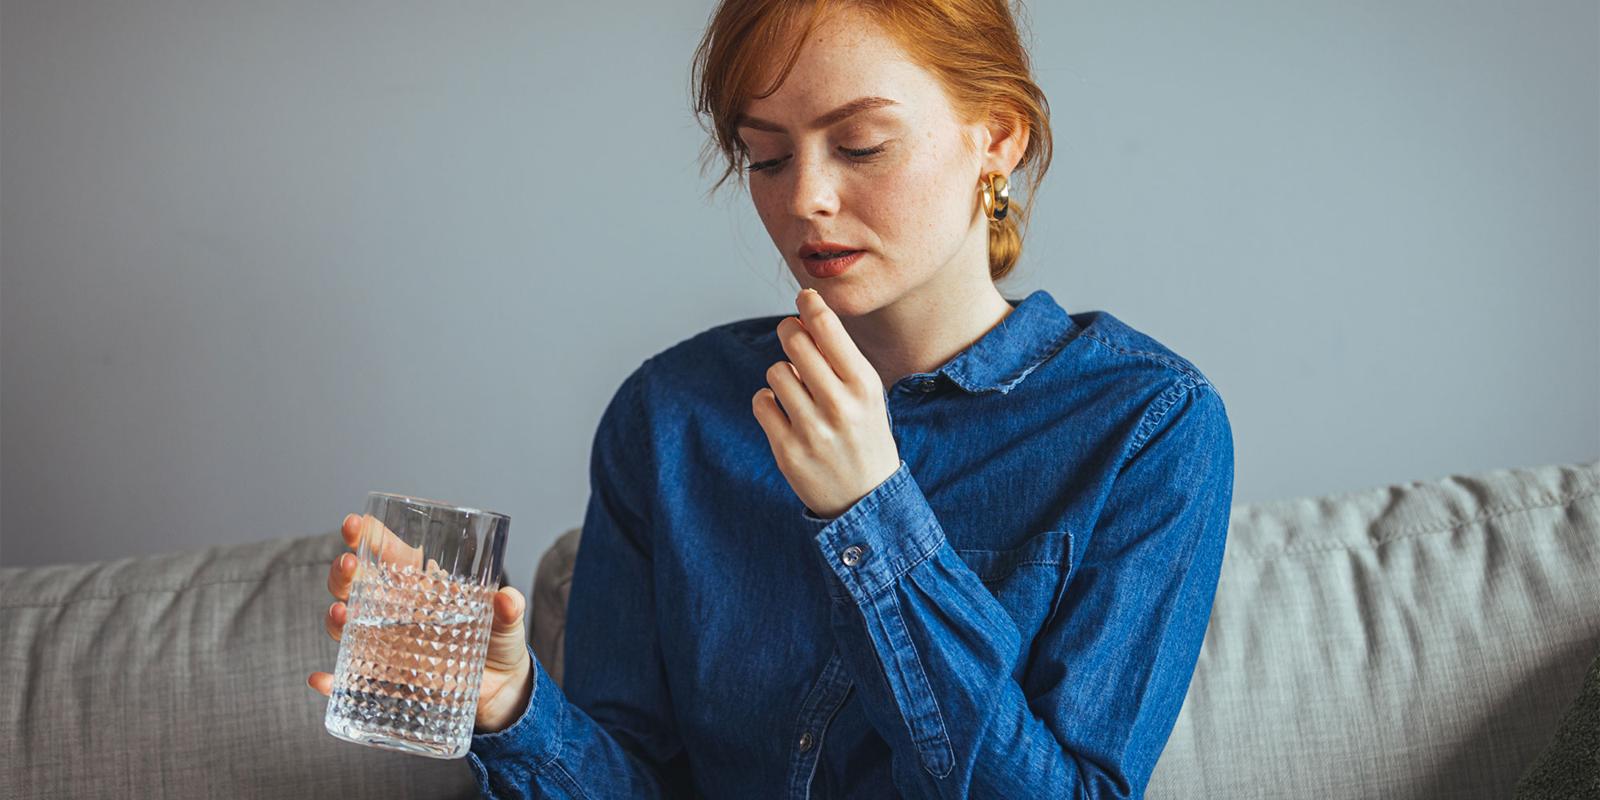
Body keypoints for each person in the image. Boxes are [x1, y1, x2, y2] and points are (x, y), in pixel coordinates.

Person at [310, 0, 1236, 796]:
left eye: (861, 145)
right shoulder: (671, 416)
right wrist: (509, 707)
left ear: (996, 135)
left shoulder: (1147, 427)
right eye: (766, 159)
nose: (809, 201)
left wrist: (873, 515)